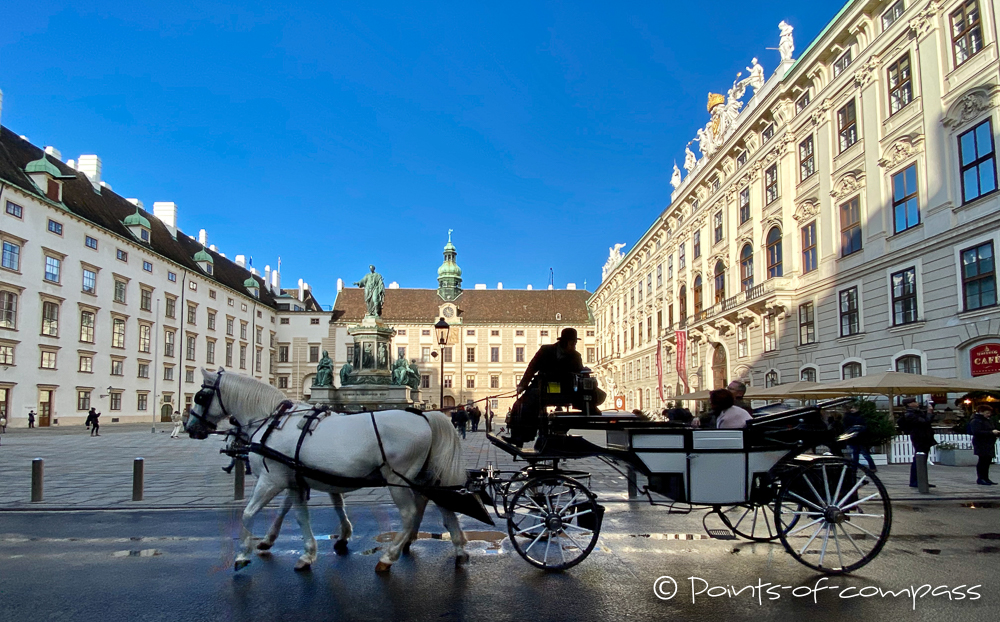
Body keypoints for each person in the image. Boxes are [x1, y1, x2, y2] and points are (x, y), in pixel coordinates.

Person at [509, 328, 593, 445]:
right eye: (573, 343)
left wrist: (584, 372)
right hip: (542, 385)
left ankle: (527, 435)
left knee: (532, 399)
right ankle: (520, 436)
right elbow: (532, 368)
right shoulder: (545, 350)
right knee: (520, 404)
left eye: (575, 343)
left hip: (563, 390)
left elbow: (579, 373)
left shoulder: (575, 356)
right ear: (565, 342)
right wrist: (523, 385)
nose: (574, 345)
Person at [902, 398, 936, 488]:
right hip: (919, 437)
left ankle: (921, 480)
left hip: (924, 437)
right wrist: (929, 413)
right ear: (909, 404)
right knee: (919, 459)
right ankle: (915, 481)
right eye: (914, 402)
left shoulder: (917, 412)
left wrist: (931, 410)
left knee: (922, 459)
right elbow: (925, 422)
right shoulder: (910, 414)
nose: (916, 403)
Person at [969, 404, 999, 485]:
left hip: (989, 443)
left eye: (989, 413)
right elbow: (977, 432)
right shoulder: (976, 420)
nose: (988, 415)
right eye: (987, 413)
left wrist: (995, 432)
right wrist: (991, 433)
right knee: (982, 461)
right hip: (981, 443)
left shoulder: (988, 420)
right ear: (981, 412)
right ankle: (981, 478)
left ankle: (986, 478)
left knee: (987, 461)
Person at [844, 405, 876, 471]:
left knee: (859, 453)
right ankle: (871, 467)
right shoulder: (860, 417)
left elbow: (846, 428)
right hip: (859, 438)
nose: (852, 409)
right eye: (852, 408)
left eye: (854, 408)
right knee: (861, 453)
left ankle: (855, 468)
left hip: (856, 438)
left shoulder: (849, 417)